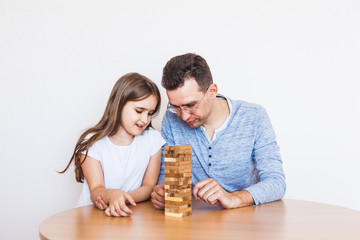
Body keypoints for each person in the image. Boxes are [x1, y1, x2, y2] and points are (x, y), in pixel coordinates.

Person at [150, 53, 286, 209]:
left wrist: (234, 198)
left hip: (244, 222)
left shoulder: (253, 116)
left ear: (212, 91)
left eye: (191, 105)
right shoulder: (172, 119)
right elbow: (167, 178)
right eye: (175, 106)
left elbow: (276, 182)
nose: (184, 116)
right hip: (194, 224)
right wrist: (161, 193)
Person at [60, 72, 165, 217]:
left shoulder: (153, 139)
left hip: (127, 215)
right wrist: (113, 196)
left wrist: (121, 199)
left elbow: (148, 186)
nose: (144, 119)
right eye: (139, 111)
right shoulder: (92, 142)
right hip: (92, 217)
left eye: (150, 113)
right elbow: (96, 190)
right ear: (119, 104)